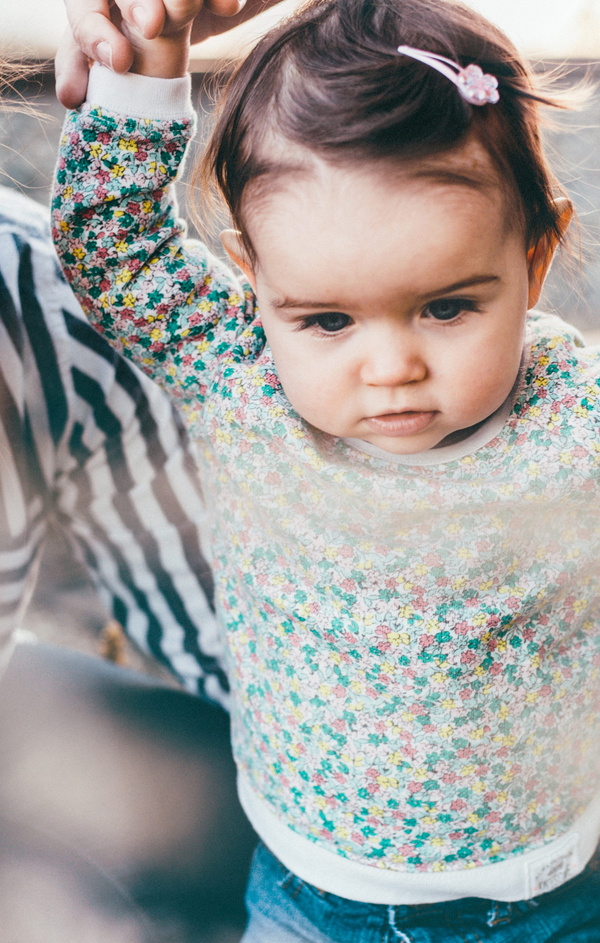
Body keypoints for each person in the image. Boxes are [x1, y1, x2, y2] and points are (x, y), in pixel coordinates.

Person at [51, 0, 600, 939]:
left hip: (545, 893)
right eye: (328, 321)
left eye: (446, 308)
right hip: (312, 898)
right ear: (254, 281)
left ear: (535, 254)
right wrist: (146, 69)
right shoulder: (244, 377)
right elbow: (113, 251)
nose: (390, 370)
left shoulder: (576, 406)